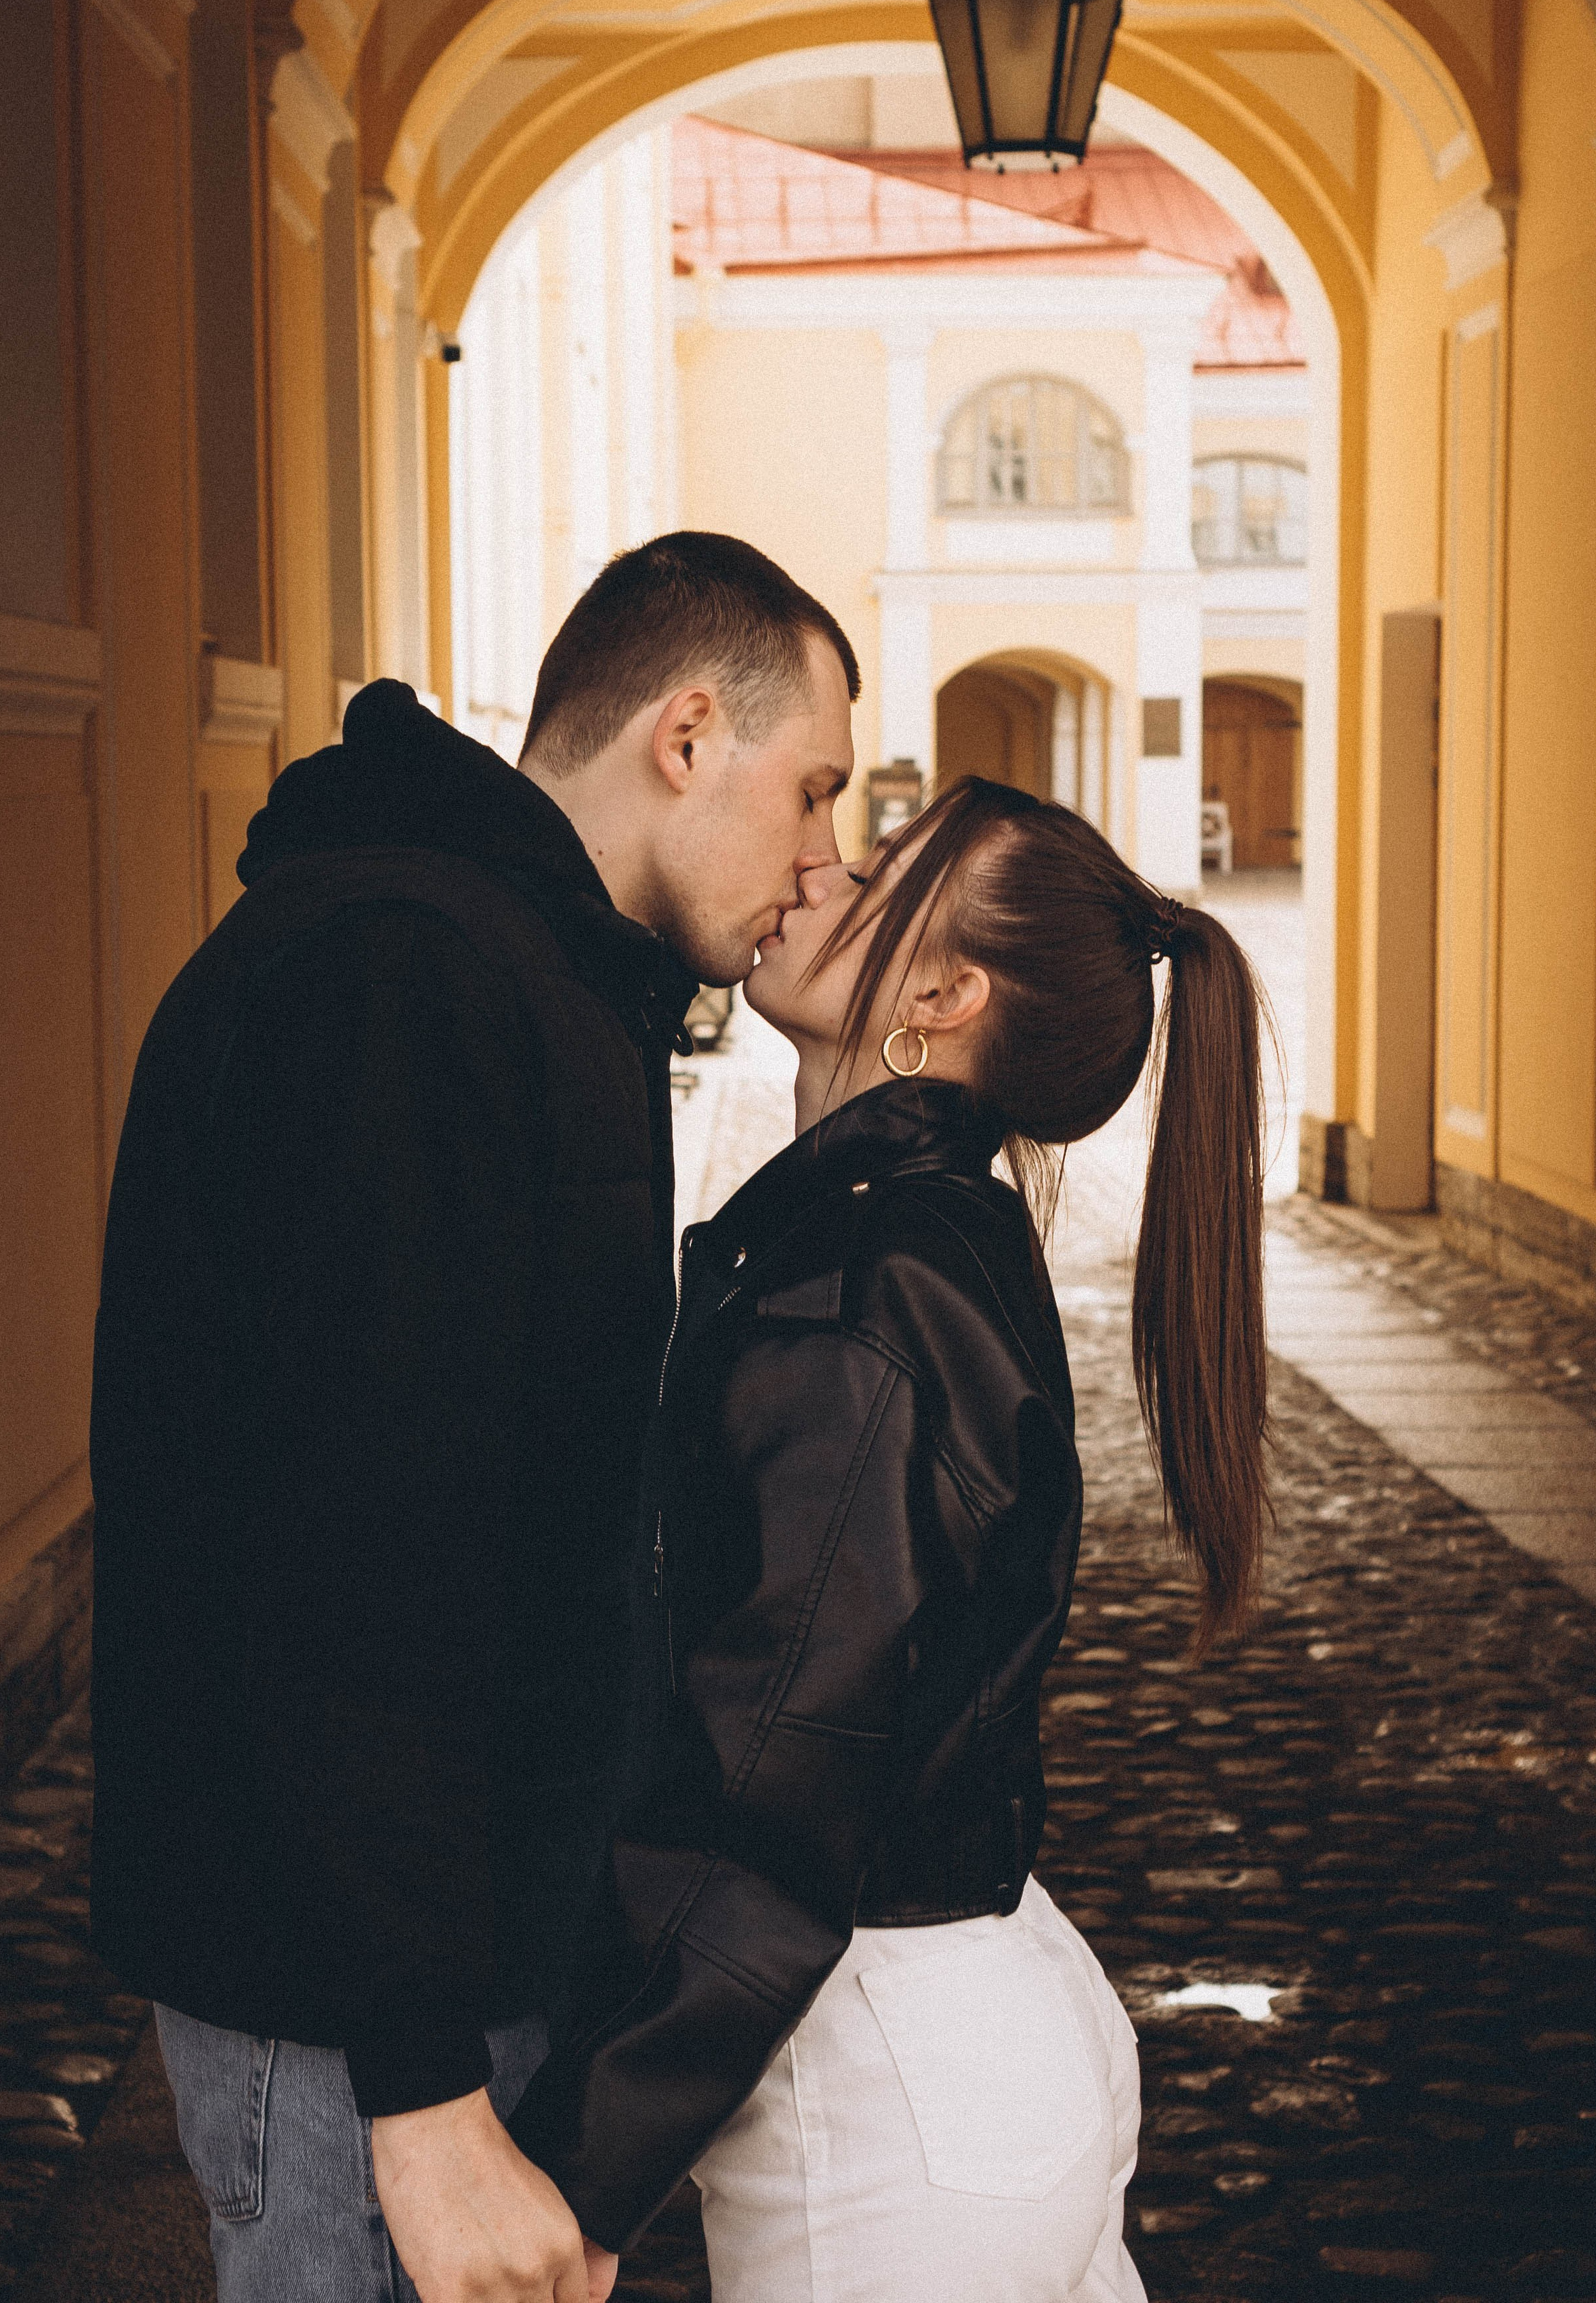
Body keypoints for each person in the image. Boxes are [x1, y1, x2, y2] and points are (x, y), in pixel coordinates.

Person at [87, 533, 859, 2303]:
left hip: (427, 1971)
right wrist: (424, 2092)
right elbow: (347, 1561)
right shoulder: (408, 990)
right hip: (355, 2024)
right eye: (809, 791)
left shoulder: (518, 975)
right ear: (685, 735)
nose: (823, 859)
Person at [509, 774, 1272, 2301]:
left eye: (871, 878)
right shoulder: (913, 1242)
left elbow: (770, 1767)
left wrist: (572, 2184)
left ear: (938, 990)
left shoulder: (869, 1286)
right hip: (981, 2039)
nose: (814, 873)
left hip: (890, 2110)